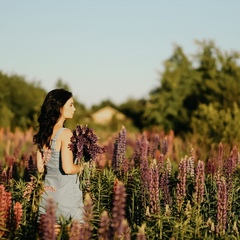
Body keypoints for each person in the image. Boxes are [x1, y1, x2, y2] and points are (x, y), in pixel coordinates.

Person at [33, 88, 84, 223]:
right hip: (66, 198)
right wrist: (82, 167)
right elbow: (68, 168)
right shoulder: (65, 133)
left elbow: (40, 168)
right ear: (60, 108)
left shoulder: (42, 134)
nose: (74, 109)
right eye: (71, 105)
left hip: (47, 198)